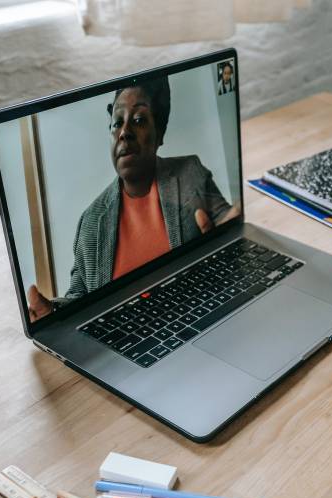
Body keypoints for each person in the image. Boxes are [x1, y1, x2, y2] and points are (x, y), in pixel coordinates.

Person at [27, 77, 239, 320]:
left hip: (196, 316)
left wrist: (232, 232)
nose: (124, 133)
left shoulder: (190, 173)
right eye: (117, 123)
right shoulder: (91, 221)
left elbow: (224, 218)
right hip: (121, 336)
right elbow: (79, 297)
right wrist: (53, 312)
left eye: (138, 120)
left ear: (159, 133)